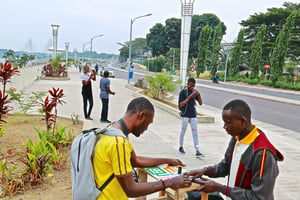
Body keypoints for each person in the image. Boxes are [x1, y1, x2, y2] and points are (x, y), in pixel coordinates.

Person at [92, 97, 192, 200]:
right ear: (141, 116)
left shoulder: (111, 129)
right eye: (148, 123)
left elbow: (135, 161)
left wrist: (167, 160)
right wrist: (170, 182)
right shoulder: (119, 142)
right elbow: (131, 189)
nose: (146, 128)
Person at [187, 99, 284, 200]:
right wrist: (205, 171)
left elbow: (259, 197)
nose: (225, 127)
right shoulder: (237, 137)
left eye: (228, 123)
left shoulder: (263, 153)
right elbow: (226, 165)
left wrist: (220, 188)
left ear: (243, 121)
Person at [178, 77, 204, 157]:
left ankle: (197, 151)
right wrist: (190, 97)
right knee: (183, 131)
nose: (192, 87)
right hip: (185, 115)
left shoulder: (194, 92)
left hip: (193, 115)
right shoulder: (183, 92)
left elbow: (200, 103)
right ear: (187, 84)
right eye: (191, 85)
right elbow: (181, 105)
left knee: (195, 133)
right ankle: (181, 146)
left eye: (194, 86)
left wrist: (198, 95)